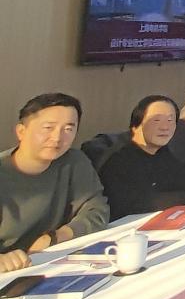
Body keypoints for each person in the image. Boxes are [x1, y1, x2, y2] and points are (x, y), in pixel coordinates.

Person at [1, 94, 109, 273]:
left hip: (53, 262)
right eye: (48, 128)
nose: (57, 137)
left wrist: (55, 237)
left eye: (68, 129)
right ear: (21, 131)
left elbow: (97, 210)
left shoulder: (74, 161)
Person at [97, 96, 185, 221]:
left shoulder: (161, 151)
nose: (165, 127)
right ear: (136, 126)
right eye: (156, 120)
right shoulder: (118, 159)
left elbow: (184, 179)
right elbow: (137, 202)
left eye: (170, 120)